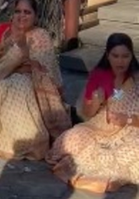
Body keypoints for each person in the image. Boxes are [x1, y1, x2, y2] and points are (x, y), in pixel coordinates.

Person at [0, 0, 70, 160]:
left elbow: (44, 68)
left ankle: (24, 142)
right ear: (12, 14)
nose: (21, 16)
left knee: (18, 88)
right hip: (1, 76)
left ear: (35, 17)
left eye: (27, 12)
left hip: (32, 81)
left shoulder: (41, 35)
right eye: (18, 11)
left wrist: (22, 57)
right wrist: (3, 45)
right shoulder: (3, 30)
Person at [47, 33, 139, 193]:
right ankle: (94, 173)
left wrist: (128, 120)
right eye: (115, 56)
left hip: (132, 129)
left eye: (125, 56)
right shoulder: (99, 75)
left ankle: (112, 177)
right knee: (72, 139)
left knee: (133, 149)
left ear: (132, 56)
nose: (120, 61)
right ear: (107, 55)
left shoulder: (136, 79)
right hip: (100, 126)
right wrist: (97, 97)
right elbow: (88, 113)